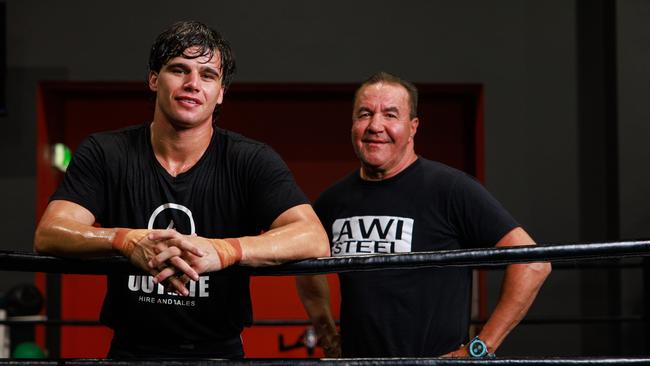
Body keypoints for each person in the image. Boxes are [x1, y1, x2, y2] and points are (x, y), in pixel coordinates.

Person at [33, 20, 329, 359]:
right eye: (179, 70)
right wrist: (124, 240)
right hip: (131, 351)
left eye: (207, 75)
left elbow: (313, 236)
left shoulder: (250, 159)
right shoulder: (106, 152)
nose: (192, 84)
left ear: (220, 93)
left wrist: (225, 250)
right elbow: (50, 232)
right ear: (154, 79)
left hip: (218, 351)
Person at [296, 72, 551, 358]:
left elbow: (533, 262)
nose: (375, 125)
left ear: (413, 127)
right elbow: (304, 265)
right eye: (365, 114)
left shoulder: (451, 188)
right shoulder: (334, 200)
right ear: (353, 125)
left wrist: (480, 349)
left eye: (390, 115)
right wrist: (327, 335)